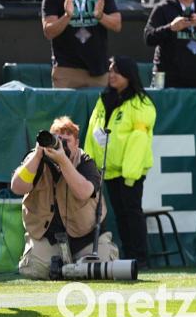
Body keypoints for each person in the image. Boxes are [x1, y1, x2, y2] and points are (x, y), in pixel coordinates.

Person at [10, 116, 119, 280]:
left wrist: (62, 161)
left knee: (100, 269)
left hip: (86, 236)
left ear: (77, 143)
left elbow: (84, 192)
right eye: (57, 140)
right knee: (33, 270)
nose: (61, 145)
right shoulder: (36, 160)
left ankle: (73, 266)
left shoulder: (85, 162)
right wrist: (38, 155)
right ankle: (65, 267)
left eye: (66, 141)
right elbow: (17, 187)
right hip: (48, 236)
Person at [84, 56, 156, 269]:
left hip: (129, 172)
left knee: (132, 213)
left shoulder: (141, 103)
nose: (112, 75)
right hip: (109, 171)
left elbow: (139, 141)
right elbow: (92, 131)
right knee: (121, 216)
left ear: (129, 75)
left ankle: (141, 258)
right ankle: (128, 257)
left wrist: (130, 174)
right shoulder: (103, 98)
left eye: (117, 71)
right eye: (110, 70)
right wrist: (90, 166)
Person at [41, 0, 121, 89]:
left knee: (100, 112)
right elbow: (48, 32)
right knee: (65, 112)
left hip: (98, 71)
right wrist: (67, 16)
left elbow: (117, 25)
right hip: (66, 70)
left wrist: (101, 16)